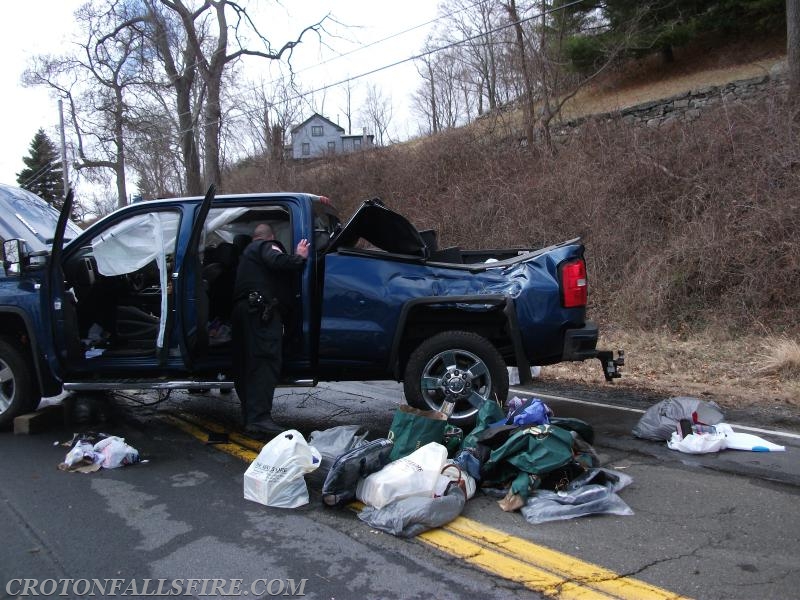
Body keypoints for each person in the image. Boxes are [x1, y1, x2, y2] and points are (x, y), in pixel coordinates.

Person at [231, 223, 309, 438]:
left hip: (243, 313)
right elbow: (276, 260)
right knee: (264, 363)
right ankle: (259, 420)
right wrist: (299, 257)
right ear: (269, 237)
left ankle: (251, 417)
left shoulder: (246, 258)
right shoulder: (265, 246)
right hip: (259, 314)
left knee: (246, 365)